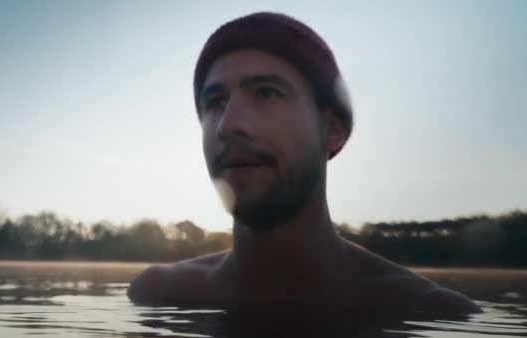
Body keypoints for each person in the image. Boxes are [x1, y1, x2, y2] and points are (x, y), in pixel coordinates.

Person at [128, 12, 481, 318]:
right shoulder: (159, 298)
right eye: (215, 102)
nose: (228, 124)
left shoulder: (429, 312)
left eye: (266, 93)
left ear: (332, 130)